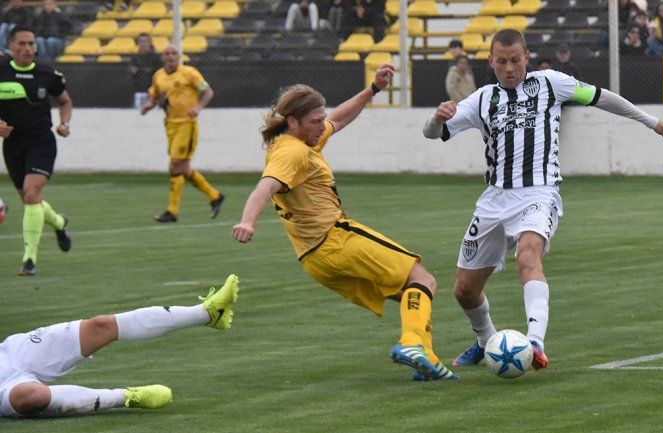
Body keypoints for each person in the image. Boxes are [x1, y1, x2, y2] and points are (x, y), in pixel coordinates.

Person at [422, 29, 663, 370]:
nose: (510, 68)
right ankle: (486, 341)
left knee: (528, 257)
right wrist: (436, 118)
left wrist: (650, 122)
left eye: (516, 60)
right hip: (494, 199)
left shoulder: (550, 83)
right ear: (491, 61)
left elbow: (602, 96)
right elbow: (432, 133)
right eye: (502, 61)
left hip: (538, 192)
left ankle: (534, 343)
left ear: (526, 58)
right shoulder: (482, 99)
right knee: (464, 290)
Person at [231, 66, 458, 381]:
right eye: (313, 122)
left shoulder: (302, 138)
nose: (320, 126)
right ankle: (412, 346)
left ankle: (426, 362)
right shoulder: (292, 152)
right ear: (292, 121)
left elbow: (337, 119)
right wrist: (247, 221)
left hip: (315, 259)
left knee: (408, 292)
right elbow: (264, 187)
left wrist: (373, 89)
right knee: (424, 280)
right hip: (336, 239)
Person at [0, 274, 239, 419]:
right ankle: (124, 396)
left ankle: (206, 313)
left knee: (100, 325)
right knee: (32, 396)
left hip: (10, 353)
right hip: (4, 388)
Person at [0, 26, 72, 276]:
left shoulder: (46, 73)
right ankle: (59, 223)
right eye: (23, 43)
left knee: (31, 195)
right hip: (13, 146)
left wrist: (64, 123)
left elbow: (65, 101)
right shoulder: (1, 71)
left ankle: (29, 260)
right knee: (29, 200)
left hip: (41, 142)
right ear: (11, 46)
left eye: (31, 43)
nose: (29, 48)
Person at [140, 45, 225, 223]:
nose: (170, 57)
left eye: (173, 53)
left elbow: (208, 92)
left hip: (187, 125)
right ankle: (215, 196)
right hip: (170, 125)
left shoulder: (190, 73)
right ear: (162, 57)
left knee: (174, 165)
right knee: (183, 169)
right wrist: (149, 105)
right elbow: (155, 95)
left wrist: (198, 107)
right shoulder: (159, 76)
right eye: (167, 54)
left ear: (179, 56)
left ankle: (172, 211)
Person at [129, 33, 162, 109]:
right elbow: (132, 71)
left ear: (150, 43)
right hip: (138, 92)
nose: (143, 44)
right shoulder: (134, 58)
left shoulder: (156, 58)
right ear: (137, 43)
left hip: (152, 93)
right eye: (141, 41)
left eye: (146, 41)